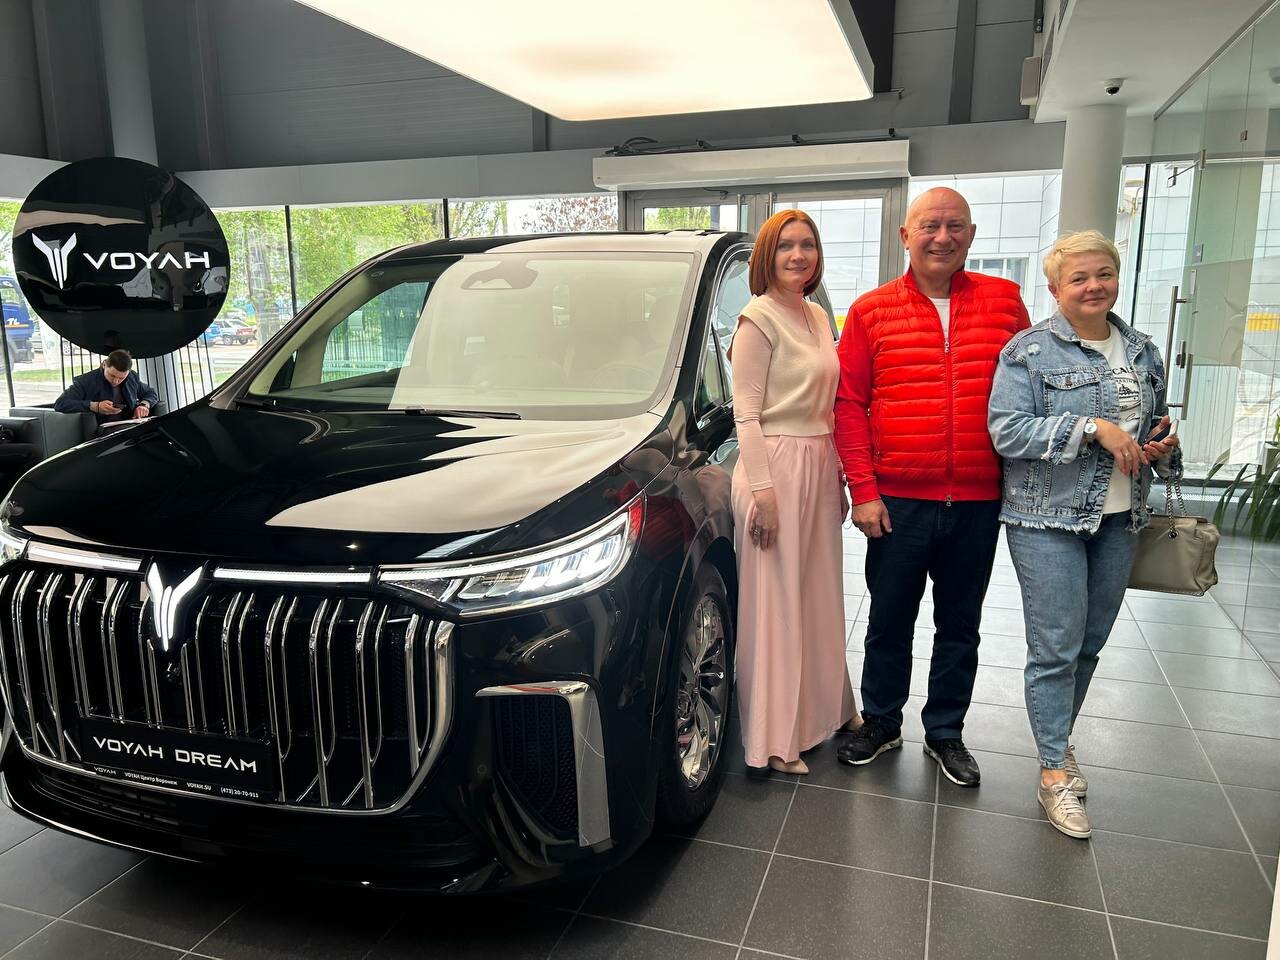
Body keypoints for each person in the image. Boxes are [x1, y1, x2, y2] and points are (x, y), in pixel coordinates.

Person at [988, 229, 1181, 838]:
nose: (1094, 286)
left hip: (1121, 518)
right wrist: (1092, 427)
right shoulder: (1028, 352)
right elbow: (1006, 431)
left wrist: (1159, 446)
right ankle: (1052, 771)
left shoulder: (1143, 351)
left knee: (1090, 644)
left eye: (1104, 274)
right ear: (1055, 289)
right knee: (1055, 648)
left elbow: (1151, 425)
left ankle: (1058, 740)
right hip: (1047, 519)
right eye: (1079, 278)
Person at [834, 187, 1030, 786]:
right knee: (889, 619)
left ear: (970, 235)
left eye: (955, 226)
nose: (942, 237)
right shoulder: (871, 311)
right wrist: (864, 491)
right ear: (906, 236)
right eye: (930, 226)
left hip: (977, 500)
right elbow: (849, 404)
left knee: (960, 625)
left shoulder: (1005, 303)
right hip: (898, 500)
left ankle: (946, 731)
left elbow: (1036, 387)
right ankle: (882, 720)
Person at [731, 209, 855, 775]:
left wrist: (839, 474)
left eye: (807, 244)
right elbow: (746, 416)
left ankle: (828, 708)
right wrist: (764, 494)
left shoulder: (817, 314)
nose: (798, 255)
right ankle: (775, 739)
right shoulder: (756, 319)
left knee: (818, 594)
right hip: (774, 466)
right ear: (767, 255)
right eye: (785, 246)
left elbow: (829, 406)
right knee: (777, 605)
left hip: (818, 461)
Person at [54, 349, 159, 428]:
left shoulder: (132, 377)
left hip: (130, 425)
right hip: (102, 430)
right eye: (112, 375)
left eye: (121, 378)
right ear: (104, 365)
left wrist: (144, 405)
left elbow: (150, 393)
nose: (116, 381)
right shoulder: (85, 381)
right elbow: (60, 404)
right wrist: (95, 406)